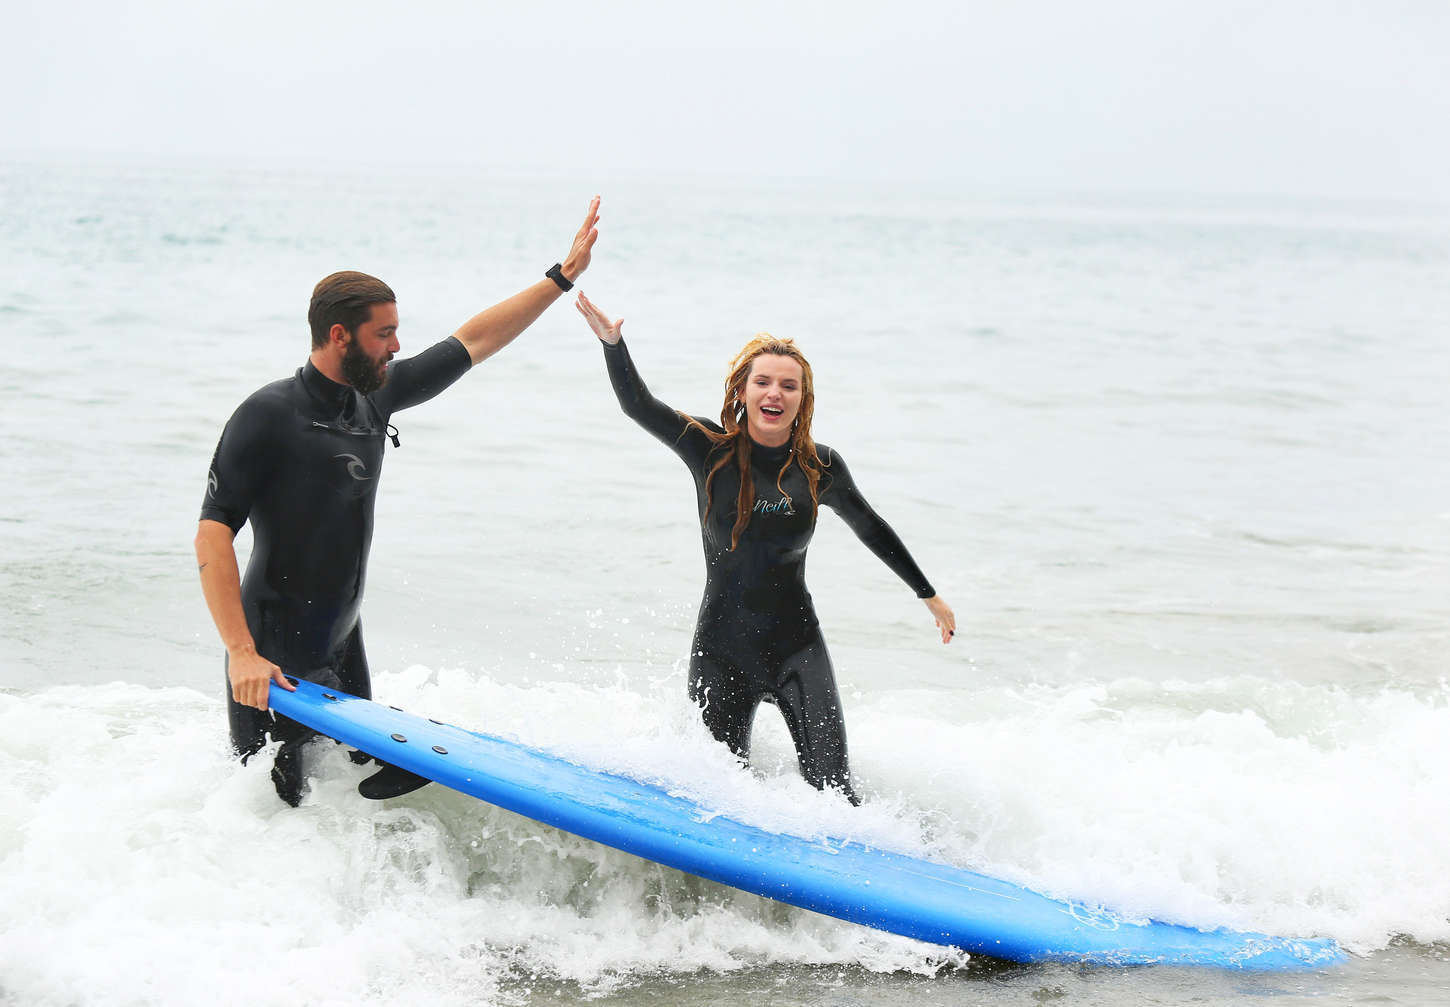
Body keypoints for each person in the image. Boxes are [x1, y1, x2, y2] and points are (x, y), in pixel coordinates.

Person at [195, 198, 601, 806]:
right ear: (340, 336)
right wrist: (241, 654)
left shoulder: (374, 398)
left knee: (348, 805)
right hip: (271, 656)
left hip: (339, 638)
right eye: (383, 333)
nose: (395, 345)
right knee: (267, 810)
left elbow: (473, 339)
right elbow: (212, 533)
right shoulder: (268, 414)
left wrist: (560, 278)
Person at [574, 292, 954, 805]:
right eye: (763, 381)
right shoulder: (707, 449)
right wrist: (613, 344)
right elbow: (637, 405)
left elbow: (871, 526)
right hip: (722, 651)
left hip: (798, 648)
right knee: (711, 798)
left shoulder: (821, 467)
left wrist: (927, 595)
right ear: (744, 390)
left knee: (836, 796)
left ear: (803, 397)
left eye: (788, 385)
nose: (775, 392)